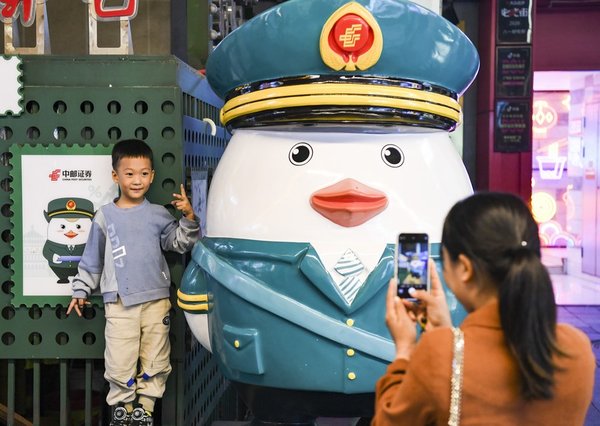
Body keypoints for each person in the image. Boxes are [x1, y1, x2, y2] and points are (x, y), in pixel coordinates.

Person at [372, 192, 595, 425]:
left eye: (445, 261)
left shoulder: (437, 354)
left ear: (465, 269)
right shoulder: (576, 349)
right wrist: (446, 334)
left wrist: (405, 350)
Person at [66, 139, 200, 426]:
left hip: (156, 300)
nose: (137, 180)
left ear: (151, 176)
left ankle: (146, 408)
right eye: (129, 173)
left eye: (143, 173)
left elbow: (178, 243)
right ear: (116, 176)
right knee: (119, 357)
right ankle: (122, 409)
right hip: (119, 302)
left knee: (156, 354)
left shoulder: (158, 214)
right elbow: (92, 259)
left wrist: (188, 217)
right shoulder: (104, 216)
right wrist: (81, 289)